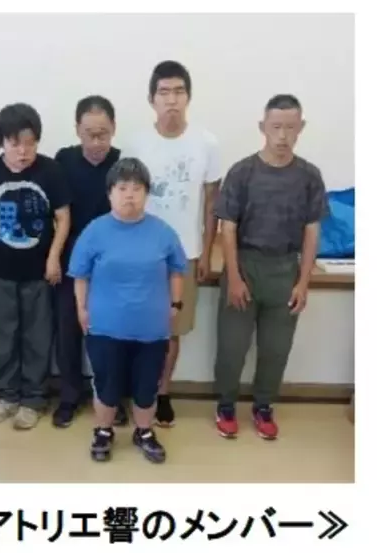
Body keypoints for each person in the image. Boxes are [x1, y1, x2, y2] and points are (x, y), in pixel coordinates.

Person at [213, 94, 328, 440]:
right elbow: (227, 228)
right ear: (262, 127)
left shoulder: (309, 176)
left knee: (277, 348)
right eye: (276, 126)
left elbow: (312, 231)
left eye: (290, 127)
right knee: (232, 346)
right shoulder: (242, 172)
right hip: (245, 264)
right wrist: (234, 277)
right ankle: (226, 405)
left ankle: (264, 406)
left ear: (301, 128)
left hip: (285, 269)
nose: (282, 135)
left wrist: (303, 282)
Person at [122, 60, 222, 427]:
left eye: (179, 91)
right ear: (152, 99)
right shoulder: (135, 143)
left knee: (171, 329)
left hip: (185, 254)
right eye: (164, 92)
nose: (172, 99)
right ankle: (134, 392)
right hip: (140, 253)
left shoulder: (207, 143)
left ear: (188, 97)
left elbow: (212, 203)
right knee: (135, 327)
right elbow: (125, 200)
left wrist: (207, 251)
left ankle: (162, 393)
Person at [68, 158, 187, 463]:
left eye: (137, 188)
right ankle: (103, 431)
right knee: (106, 383)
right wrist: (81, 309)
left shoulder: (163, 232)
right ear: (110, 193)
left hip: (152, 328)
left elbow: (177, 270)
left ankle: (144, 432)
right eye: (122, 188)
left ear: (147, 193)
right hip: (105, 326)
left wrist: (175, 304)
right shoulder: (95, 231)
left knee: (147, 385)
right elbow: (80, 275)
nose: (130, 195)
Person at [0, 103, 71, 430]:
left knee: (37, 338)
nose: (23, 151)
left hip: (40, 275)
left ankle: (34, 399)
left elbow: (63, 217)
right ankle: (6, 395)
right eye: (15, 144)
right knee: (0, 339)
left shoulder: (51, 171)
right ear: (2, 142)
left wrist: (54, 257)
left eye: (30, 143)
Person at [52, 95, 124, 428]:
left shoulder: (123, 164)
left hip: (111, 266)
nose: (96, 142)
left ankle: (111, 397)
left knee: (109, 334)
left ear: (114, 129)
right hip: (71, 261)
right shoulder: (63, 161)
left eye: (103, 134)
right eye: (89, 134)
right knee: (67, 331)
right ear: (77, 130)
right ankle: (69, 396)